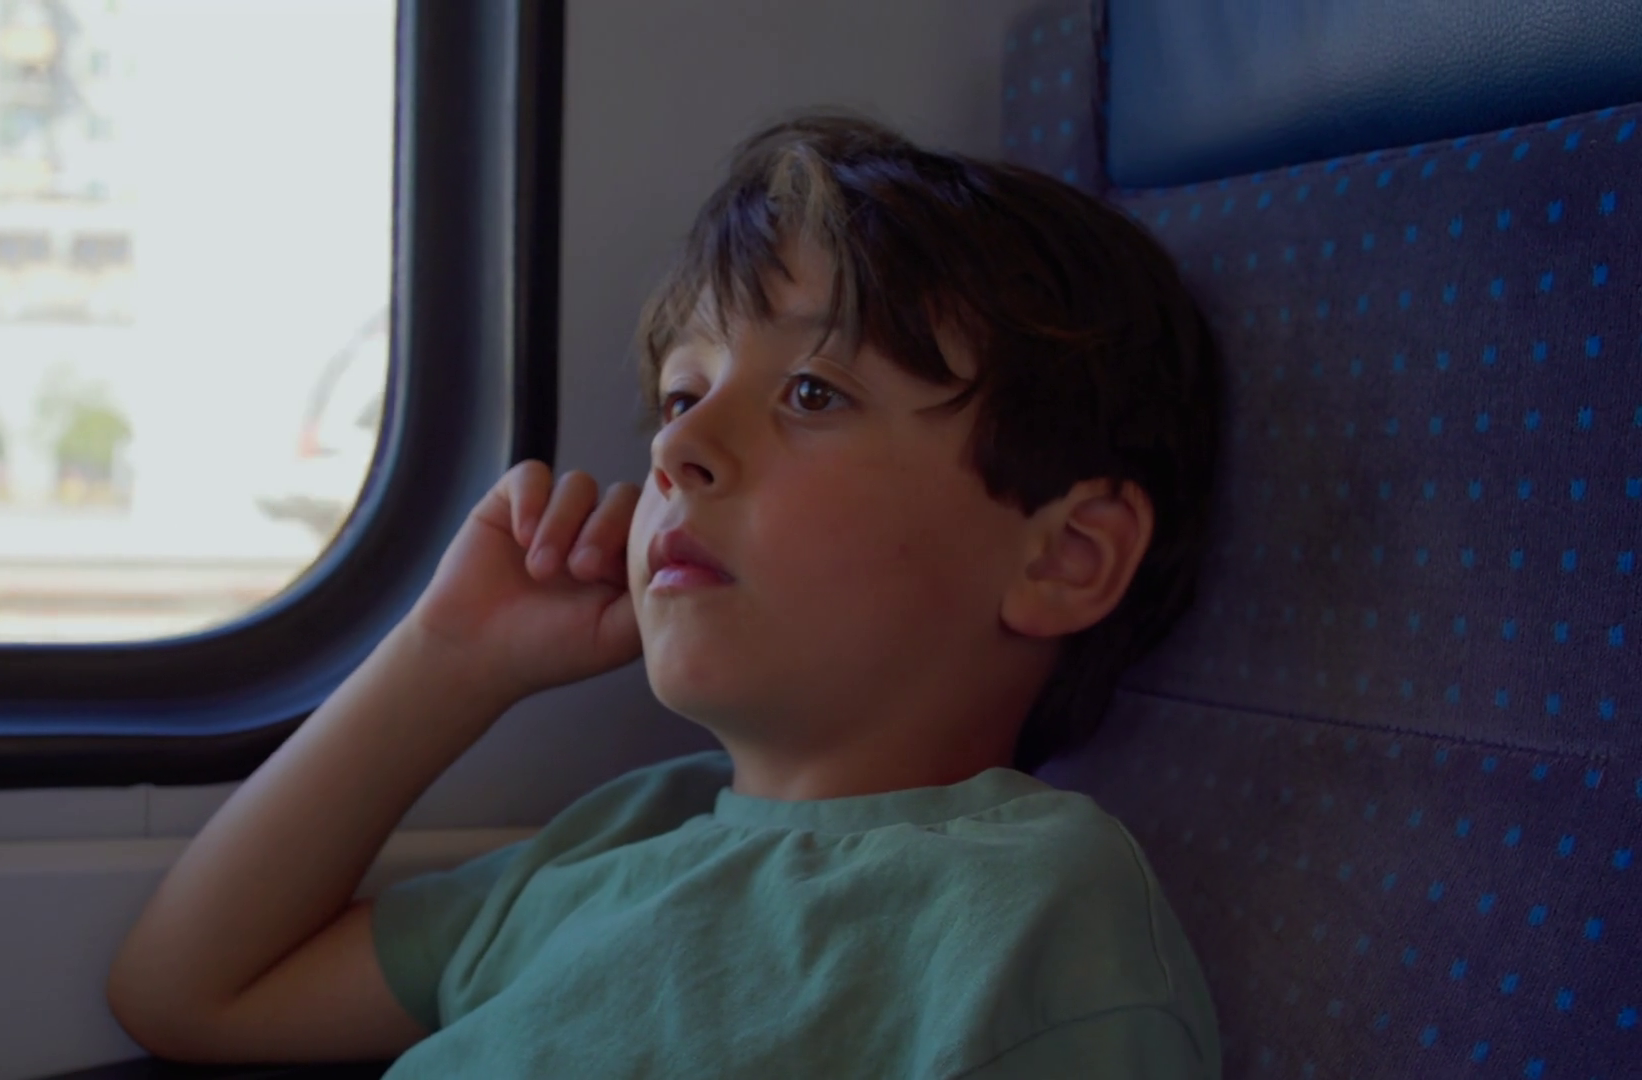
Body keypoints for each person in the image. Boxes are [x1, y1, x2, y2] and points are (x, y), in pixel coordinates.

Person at [106, 111, 1225, 1078]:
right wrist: (450, 659)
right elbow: (191, 993)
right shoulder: (620, 840)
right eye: (685, 393)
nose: (676, 444)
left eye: (812, 392)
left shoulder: (1034, 917)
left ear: (1065, 559)